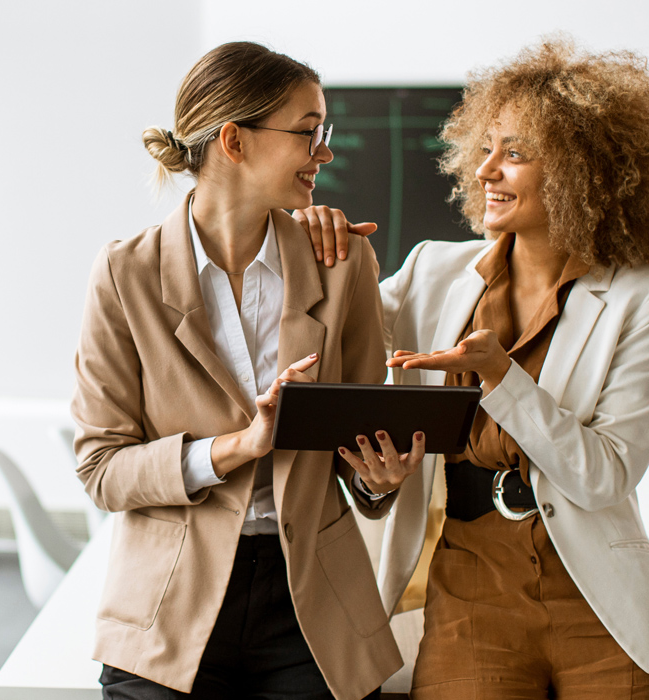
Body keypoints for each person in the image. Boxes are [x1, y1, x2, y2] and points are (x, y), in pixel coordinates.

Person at [293, 35, 649, 698]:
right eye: (485, 148)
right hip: (470, 593)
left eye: (515, 154)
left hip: (596, 600)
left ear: (582, 173)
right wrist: (319, 248)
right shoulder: (432, 270)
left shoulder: (647, 300)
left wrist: (501, 378)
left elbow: (604, 476)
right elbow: (336, 340)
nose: (486, 172)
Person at [71, 41, 424, 700]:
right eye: (307, 132)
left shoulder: (343, 264)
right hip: (169, 603)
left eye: (326, 133)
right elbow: (101, 470)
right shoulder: (127, 275)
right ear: (234, 140)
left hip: (313, 604)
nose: (324, 153)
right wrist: (240, 446)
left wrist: (379, 479)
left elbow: (359, 448)